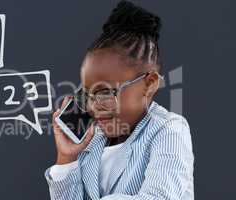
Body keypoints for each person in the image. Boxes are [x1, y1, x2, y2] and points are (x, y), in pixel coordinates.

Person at [44, 1, 194, 200]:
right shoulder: (93, 139)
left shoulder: (169, 130)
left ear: (149, 84)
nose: (93, 106)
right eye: (88, 94)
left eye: (105, 92)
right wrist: (67, 159)